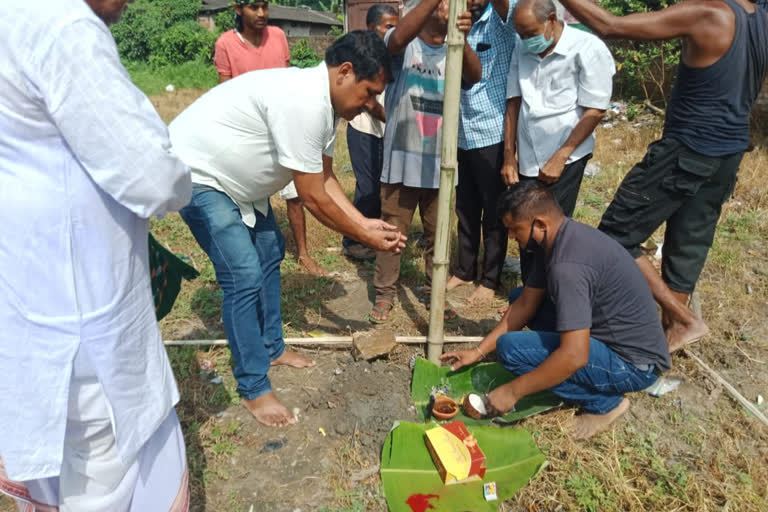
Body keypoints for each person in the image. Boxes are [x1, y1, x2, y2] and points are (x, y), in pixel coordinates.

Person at [0, 1, 192, 510]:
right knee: (103, 468)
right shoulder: (61, 25)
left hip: (25, 291)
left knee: (54, 459)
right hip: (82, 311)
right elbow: (153, 176)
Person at [169, 32, 406, 427]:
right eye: (368, 94)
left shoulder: (326, 105)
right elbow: (312, 196)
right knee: (242, 273)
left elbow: (326, 177)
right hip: (200, 176)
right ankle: (253, 386)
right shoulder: (303, 100)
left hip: (241, 188)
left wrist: (364, 222)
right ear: (345, 72)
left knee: (269, 252)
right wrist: (364, 236)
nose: (369, 105)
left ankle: (272, 347)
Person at [559, 0, 768, 352]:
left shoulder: (708, 12)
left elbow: (610, 25)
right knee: (687, 246)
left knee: (617, 233)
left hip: (687, 148)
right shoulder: (759, 18)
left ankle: (684, 320)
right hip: (729, 151)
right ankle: (670, 332)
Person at [441, 182, 671, 440]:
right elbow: (526, 304)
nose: (513, 237)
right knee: (521, 297)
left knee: (511, 350)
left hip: (633, 364)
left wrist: (513, 391)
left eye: (515, 229)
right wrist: (478, 351)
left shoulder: (567, 266)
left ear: (539, 224)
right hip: (614, 336)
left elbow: (575, 356)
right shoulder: (558, 238)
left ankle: (605, 405)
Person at [369, 0, 482, 323]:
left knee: (440, 236)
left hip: (441, 165)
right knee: (391, 235)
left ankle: (436, 294)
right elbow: (397, 38)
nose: (449, 5)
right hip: (401, 162)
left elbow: (474, 76)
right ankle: (385, 294)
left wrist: (463, 37)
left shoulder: (455, 48)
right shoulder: (405, 46)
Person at [214, 0, 327, 276]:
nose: (262, 13)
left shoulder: (277, 36)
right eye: (254, 7)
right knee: (246, 196)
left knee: (295, 194)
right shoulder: (226, 43)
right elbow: (225, 93)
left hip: (283, 126)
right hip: (249, 131)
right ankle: (248, 252)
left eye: (265, 6)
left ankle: (303, 252)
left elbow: (288, 79)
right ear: (238, 9)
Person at [502, 0, 614, 217]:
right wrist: (509, 156)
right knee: (526, 224)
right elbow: (513, 102)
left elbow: (595, 110)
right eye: (521, 34)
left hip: (566, 156)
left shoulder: (587, 48)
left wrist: (561, 157)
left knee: (552, 226)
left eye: (530, 34)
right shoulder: (521, 46)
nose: (525, 40)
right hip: (527, 157)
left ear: (551, 19)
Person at [446, 0, 518, 304]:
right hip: (460, 130)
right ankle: (464, 270)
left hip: (491, 131)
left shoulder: (501, 22)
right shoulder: (459, 21)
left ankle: (490, 279)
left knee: (494, 210)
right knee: (465, 206)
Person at [342, 4, 400, 261]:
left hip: (385, 130)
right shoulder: (361, 58)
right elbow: (370, 103)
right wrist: (395, 121)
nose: (394, 32)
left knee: (382, 186)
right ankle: (354, 241)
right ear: (370, 28)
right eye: (389, 26)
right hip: (364, 129)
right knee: (367, 188)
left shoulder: (394, 55)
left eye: (397, 27)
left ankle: (374, 234)